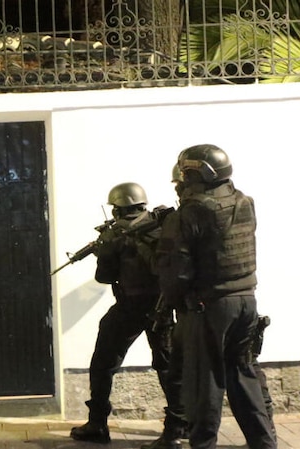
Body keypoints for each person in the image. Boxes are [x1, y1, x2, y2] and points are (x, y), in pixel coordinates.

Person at [156, 144, 276, 449]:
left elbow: (177, 273)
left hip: (208, 307)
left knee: (203, 384)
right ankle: (265, 444)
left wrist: (172, 302)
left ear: (198, 172)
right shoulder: (243, 202)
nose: (182, 179)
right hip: (246, 301)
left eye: (185, 172)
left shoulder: (190, 213)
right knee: (243, 377)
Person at [69, 183, 184, 446]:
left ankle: (97, 423)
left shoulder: (116, 233)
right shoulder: (161, 226)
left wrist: (104, 252)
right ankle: (180, 424)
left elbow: (104, 277)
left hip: (129, 307)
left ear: (118, 207)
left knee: (103, 363)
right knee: (168, 366)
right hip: (161, 306)